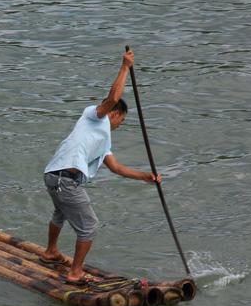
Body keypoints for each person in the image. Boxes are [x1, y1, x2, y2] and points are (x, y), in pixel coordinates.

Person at [41, 48, 161, 284]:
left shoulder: (102, 139)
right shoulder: (94, 116)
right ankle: (75, 273)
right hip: (64, 179)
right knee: (90, 227)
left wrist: (145, 176)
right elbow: (113, 98)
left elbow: (116, 168)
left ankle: (51, 252)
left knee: (60, 213)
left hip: (56, 177)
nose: (121, 125)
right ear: (115, 114)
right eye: (122, 120)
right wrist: (125, 67)